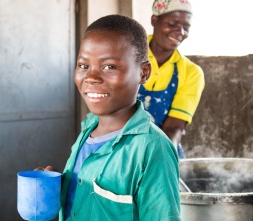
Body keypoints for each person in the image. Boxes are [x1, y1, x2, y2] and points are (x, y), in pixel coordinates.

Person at [39, 14, 181, 221]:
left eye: (109, 67)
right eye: (84, 65)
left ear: (143, 72)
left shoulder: (151, 147)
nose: (91, 77)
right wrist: (58, 189)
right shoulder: (90, 129)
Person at [137, 0, 205, 159]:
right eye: (173, 23)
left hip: (164, 148)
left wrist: (163, 160)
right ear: (154, 20)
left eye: (186, 28)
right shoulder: (127, 54)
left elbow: (174, 127)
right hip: (118, 147)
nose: (180, 32)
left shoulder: (191, 72)